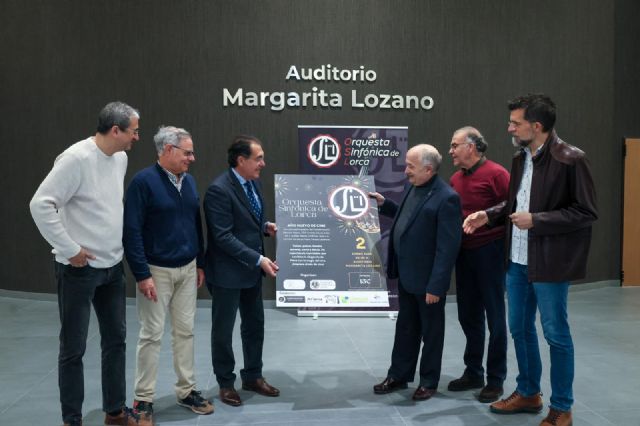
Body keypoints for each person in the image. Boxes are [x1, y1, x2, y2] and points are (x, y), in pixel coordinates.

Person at [464, 94, 597, 426]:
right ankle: (527, 393)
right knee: (520, 329)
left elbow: (585, 212)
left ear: (536, 126)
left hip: (550, 262)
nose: (509, 127)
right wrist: (489, 214)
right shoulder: (520, 158)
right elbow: (515, 204)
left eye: (515, 123)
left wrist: (538, 220)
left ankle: (562, 407)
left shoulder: (571, 159)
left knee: (555, 333)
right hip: (518, 260)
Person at [29, 102, 141, 426]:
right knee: (73, 349)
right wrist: (69, 248)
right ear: (116, 130)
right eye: (133, 130)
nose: (137, 137)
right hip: (78, 269)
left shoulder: (120, 158)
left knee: (116, 341)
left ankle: (115, 412)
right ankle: (72, 420)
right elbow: (41, 204)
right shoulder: (75, 159)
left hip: (112, 267)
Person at [123, 126, 214, 424]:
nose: (193, 157)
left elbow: (194, 224)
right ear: (167, 150)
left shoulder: (188, 182)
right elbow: (132, 231)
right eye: (187, 152)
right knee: (151, 335)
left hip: (187, 269)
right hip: (155, 272)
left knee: (185, 332)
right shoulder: (143, 182)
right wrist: (141, 274)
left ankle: (186, 391)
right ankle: (143, 400)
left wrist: (199, 263)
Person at [370, 144, 462, 402]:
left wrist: (437, 286)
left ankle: (429, 381)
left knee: (432, 333)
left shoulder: (447, 198)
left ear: (428, 169)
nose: (405, 170)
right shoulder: (413, 187)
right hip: (407, 275)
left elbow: (447, 248)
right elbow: (407, 217)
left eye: (410, 166)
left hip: (428, 282)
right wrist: (385, 204)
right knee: (406, 328)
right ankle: (398, 375)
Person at [203, 135, 280, 407]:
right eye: (258, 158)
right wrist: (259, 259)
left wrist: (264, 226)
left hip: (250, 272)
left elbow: (246, 220)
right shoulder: (219, 190)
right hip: (227, 274)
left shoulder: (252, 184)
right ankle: (226, 383)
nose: (263, 163)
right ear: (241, 160)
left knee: (254, 325)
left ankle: (253, 376)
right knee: (223, 331)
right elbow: (223, 236)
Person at [447, 126, 510, 403]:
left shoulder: (497, 174)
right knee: (468, 315)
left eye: (454, 145)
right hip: (464, 253)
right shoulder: (455, 178)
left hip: (490, 252)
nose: (450, 151)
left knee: (495, 318)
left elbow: (514, 204)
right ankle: (474, 372)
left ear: (471, 147)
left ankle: (495, 380)